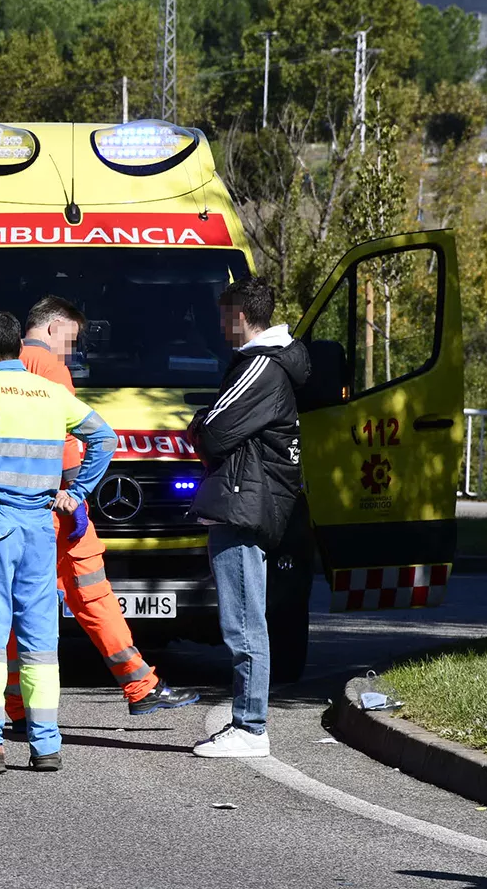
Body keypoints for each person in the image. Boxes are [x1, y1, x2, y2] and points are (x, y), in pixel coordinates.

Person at [2, 296, 198, 724]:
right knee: (92, 594)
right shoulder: (52, 368)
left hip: (20, 506)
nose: (71, 351)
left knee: (26, 604)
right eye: (70, 340)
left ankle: (16, 706)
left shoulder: (5, 366)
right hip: (58, 504)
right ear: (52, 329)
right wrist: (77, 494)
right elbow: (68, 442)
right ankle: (139, 685)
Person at [0, 311, 113, 775]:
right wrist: (74, 494)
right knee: (39, 642)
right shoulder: (53, 392)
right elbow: (104, 438)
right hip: (40, 528)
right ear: (19, 346)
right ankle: (46, 744)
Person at [185, 276, 309, 759]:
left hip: (243, 502)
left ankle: (250, 727)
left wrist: (199, 423)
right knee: (242, 617)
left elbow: (213, 431)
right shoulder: (265, 364)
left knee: (243, 621)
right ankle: (246, 723)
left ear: (240, 316)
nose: (219, 326)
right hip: (243, 498)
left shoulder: (261, 366)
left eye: (222, 316)